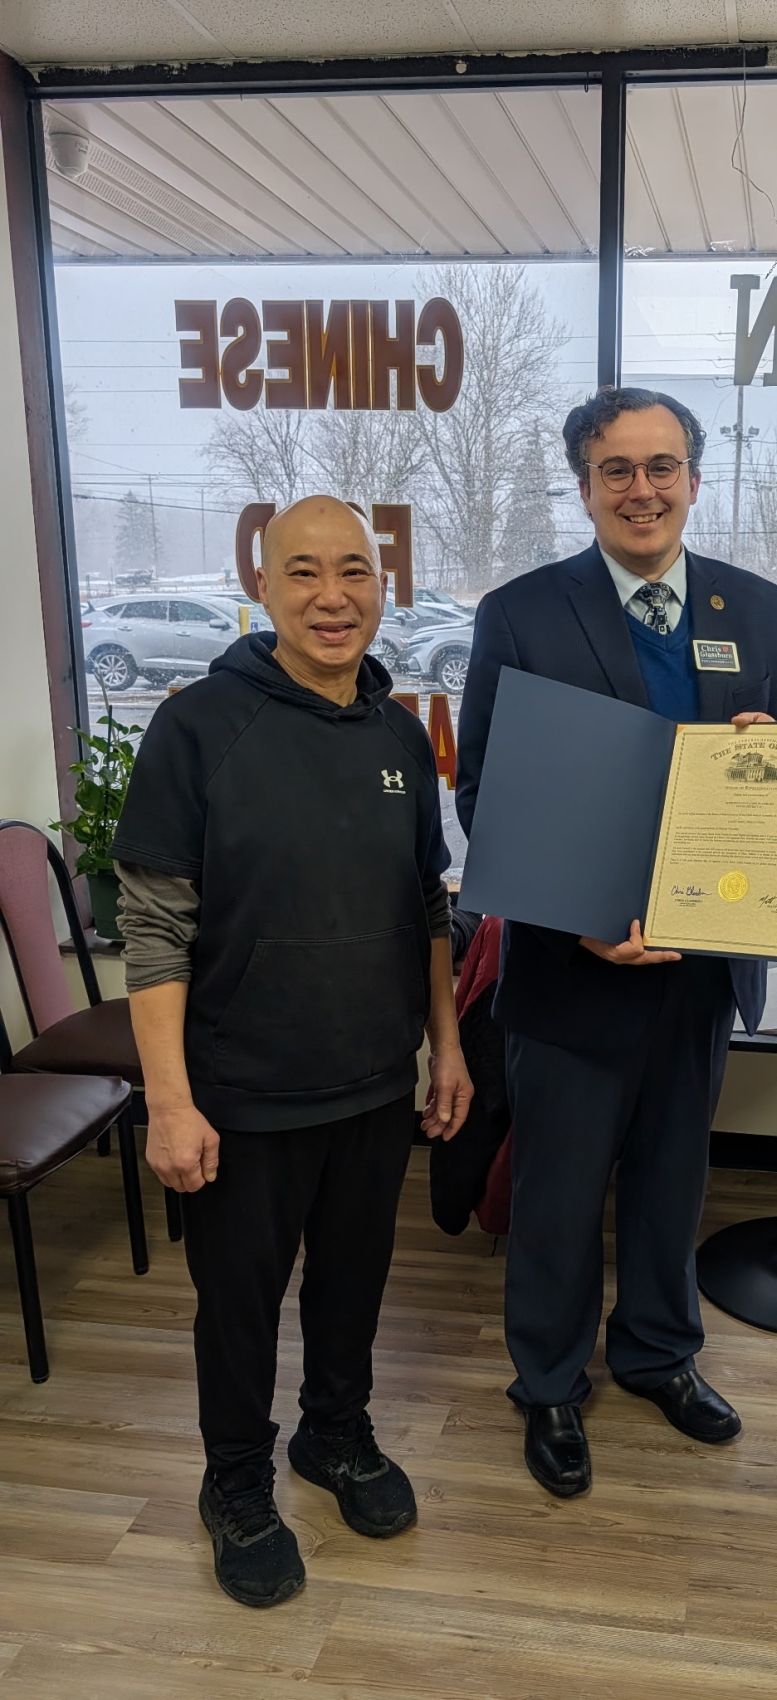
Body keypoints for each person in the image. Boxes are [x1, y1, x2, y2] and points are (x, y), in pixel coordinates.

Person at [112, 495, 473, 1609]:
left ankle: (337, 1433)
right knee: (238, 1303)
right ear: (261, 586)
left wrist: (444, 1045)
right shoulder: (199, 725)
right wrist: (169, 1104)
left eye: (353, 571)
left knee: (353, 1286)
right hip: (241, 1090)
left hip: (370, 1082)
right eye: (304, 572)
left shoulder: (400, 733)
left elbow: (426, 903)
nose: (332, 596)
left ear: (381, 585)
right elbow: (155, 926)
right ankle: (234, 1481)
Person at [455, 387, 777, 1497]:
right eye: (616, 469)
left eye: (661, 466)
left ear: (694, 480)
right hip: (575, 968)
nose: (641, 488)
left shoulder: (754, 609)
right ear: (584, 486)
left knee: (671, 1176)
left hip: (702, 965)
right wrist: (580, 919)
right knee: (559, 1191)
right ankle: (550, 1384)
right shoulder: (519, 612)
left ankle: (660, 1352)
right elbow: (483, 792)